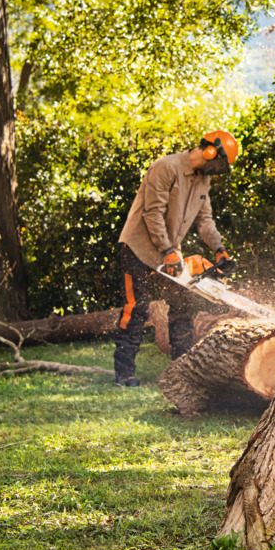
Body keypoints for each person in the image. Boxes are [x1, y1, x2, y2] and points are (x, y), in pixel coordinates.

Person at [113, 130, 239, 384]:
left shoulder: (203, 181)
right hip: (139, 246)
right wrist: (167, 250)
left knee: (182, 307)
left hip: (170, 251)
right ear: (210, 151)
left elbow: (205, 220)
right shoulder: (166, 167)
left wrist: (219, 247)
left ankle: (181, 371)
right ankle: (124, 373)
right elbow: (152, 213)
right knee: (136, 307)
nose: (217, 171)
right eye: (219, 165)